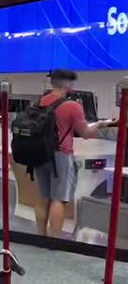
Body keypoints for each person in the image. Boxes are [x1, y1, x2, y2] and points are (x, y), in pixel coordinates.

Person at [32, 69, 111, 238]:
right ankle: (54, 240)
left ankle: (39, 236)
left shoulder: (39, 102)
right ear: (67, 84)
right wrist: (100, 124)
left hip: (39, 154)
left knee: (43, 197)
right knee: (58, 199)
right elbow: (85, 133)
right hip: (61, 155)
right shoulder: (71, 106)